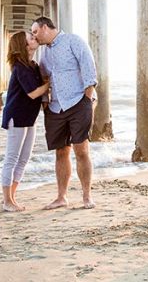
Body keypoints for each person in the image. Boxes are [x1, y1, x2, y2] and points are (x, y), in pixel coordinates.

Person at [30, 16, 99, 210]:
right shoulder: (44, 53)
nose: (34, 36)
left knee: (81, 150)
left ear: (45, 27)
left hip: (78, 102)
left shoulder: (73, 40)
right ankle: (61, 197)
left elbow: (89, 68)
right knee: (61, 152)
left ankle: (87, 196)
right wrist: (45, 104)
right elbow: (44, 78)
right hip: (55, 108)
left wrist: (87, 99)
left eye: (35, 31)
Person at [0, 31, 48, 212]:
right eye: (31, 38)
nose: (35, 39)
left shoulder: (33, 65)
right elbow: (33, 93)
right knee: (11, 159)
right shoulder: (20, 67)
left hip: (29, 118)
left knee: (24, 159)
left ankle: (10, 197)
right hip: (16, 117)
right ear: (23, 45)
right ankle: (7, 201)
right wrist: (50, 84)